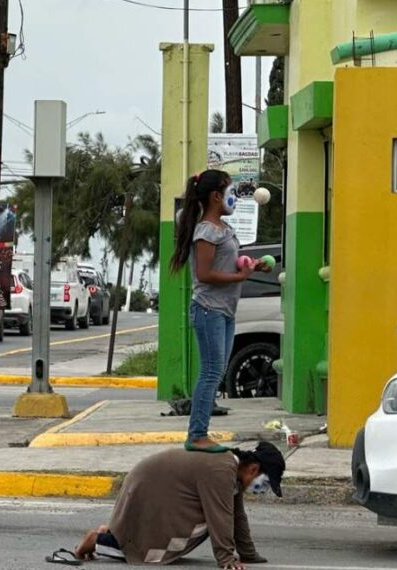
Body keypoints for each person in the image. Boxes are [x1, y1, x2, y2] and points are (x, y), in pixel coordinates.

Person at [54, 442, 286, 568]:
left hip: (149, 489)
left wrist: (247, 554)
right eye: (264, 483)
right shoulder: (222, 470)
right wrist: (226, 559)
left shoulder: (228, 467)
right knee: (149, 553)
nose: (262, 489)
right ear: (254, 469)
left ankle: (115, 533)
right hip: (148, 492)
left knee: (214, 517)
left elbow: (237, 515)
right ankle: (100, 541)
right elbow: (222, 517)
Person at [170, 170, 271, 453]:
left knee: (217, 370)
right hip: (208, 310)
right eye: (230, 191)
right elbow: (204, 274)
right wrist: (239, 279)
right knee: (212, 371)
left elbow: (227, 263)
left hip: (224, 310)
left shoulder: (224, 229)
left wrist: (249, 267)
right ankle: (197, 434)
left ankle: (199, 432)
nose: (234, 197)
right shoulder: (206, 231)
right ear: (215, 196)